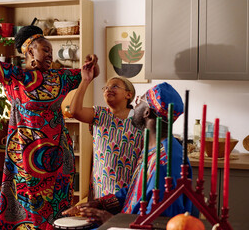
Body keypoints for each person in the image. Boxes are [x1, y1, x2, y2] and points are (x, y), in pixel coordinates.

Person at [0, 0, 100, 229]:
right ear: (29, 51)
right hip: (26, 161)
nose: (50, 55)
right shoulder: (15, 78)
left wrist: (91, 67)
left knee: (58, 216)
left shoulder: (58, 77)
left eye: (51, 51)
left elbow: (91, 73)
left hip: (59, 161)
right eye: (45, 49)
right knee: (30, 214)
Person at [63, 82, 193, 225]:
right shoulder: (153, 148)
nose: (135, 105)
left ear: (147, 112)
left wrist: (111, 219)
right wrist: (100, 203)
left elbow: (160, 222)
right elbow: (136, 191)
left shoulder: (165, 161)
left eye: (139, 101)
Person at [69, 74, 143, 199]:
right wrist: (86, 80)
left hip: (128, 191)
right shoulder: (99, 114)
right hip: (100, 189)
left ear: (128, 95)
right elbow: (75, 111)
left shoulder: (139, 118)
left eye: (114, 86)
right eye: (106, 88)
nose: (108, 89)